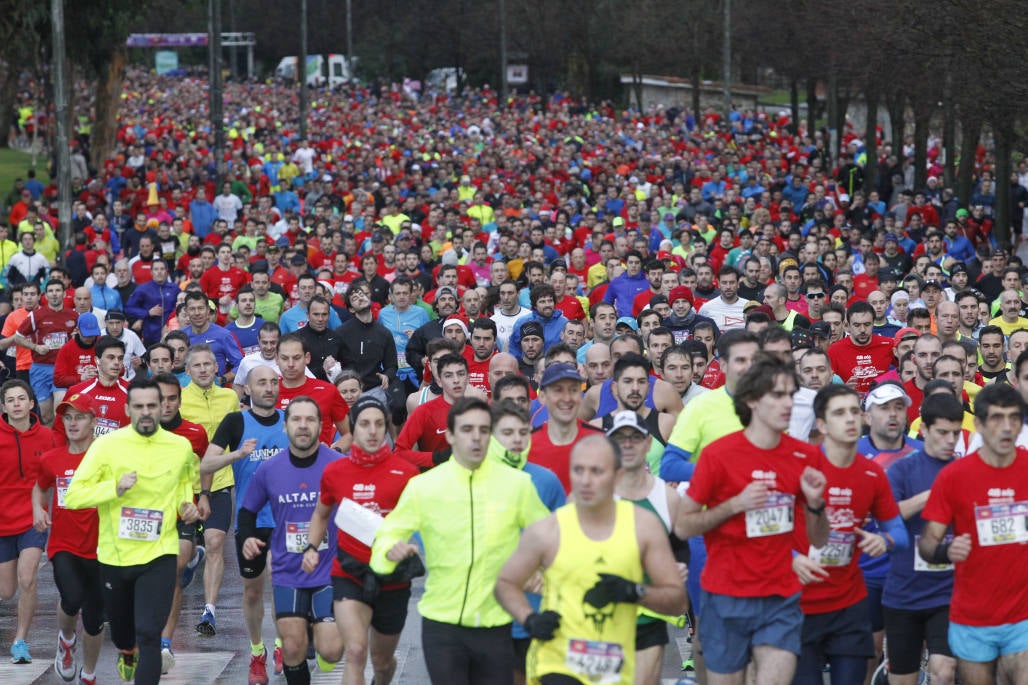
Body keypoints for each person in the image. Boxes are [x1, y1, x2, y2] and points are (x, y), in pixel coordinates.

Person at [370, 397, 549, 685]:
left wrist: (541, 573)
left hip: (496, 623)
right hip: (442, 624)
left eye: (483, 429)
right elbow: (387, 533)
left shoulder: (517, 485)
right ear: (451, 435)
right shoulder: (423, 487)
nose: (476, 438)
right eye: (467, 430)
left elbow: (549, 539)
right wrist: (390, 551)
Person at [675, 354, 830, 685]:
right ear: (752, 401)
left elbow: (819, 540)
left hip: (780, 598)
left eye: (791, 394)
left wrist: (816, 505)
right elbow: (683, 525)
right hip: (726, 595)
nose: (788, 403)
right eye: (777, 395)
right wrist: (734, 505)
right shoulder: (718, 455)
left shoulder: (806, 455)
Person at [494, 432, 688, 685]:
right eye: (578, 470)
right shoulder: (547, 531)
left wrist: (635, 591)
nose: (586, 480)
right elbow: (505, 583)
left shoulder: (643, 527)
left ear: (617, 475)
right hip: (557, 662)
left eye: (596, 471)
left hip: (615, 667)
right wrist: (530, 619)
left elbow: (678, 602)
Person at [64, 377, 201, 685]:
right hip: (116, 556)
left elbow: (183, 489)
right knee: (124, 634)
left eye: (152, 405)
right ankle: (127, 651)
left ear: (162, 406)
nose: (147, 412)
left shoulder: (180, 447)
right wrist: (115, 488)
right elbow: (73, 495)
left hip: (160, 553)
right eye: (138, 406)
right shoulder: (107, 446)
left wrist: (186, 508)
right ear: (127, 409)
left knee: (150, 634)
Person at [790, 385, 906, 685]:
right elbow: (764, 534)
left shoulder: (872, 473)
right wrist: (791, 558)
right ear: (822, 425)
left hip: (848, 603)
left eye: (855, 411)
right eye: (840, 413)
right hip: (800, 604)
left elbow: (899, 533)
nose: (850, 419)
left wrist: (886, 540)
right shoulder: (800, 468)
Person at [304, 396, 420, 685]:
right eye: (365, 424)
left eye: (379, 424)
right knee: (355, 651)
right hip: (349, 571)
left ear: (386, 429)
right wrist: (311, 547)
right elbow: (320, 514)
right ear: (353, 430)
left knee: (381, 663)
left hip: (393, 578)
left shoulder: (407, 473)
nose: (372, 431)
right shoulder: (335, 472)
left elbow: (424, 521)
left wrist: (411, 545)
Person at [919, 383, 1028, 685]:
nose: (1006, 428)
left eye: (1014, 418)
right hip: (972, 617)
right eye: (996, 418)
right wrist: (946, 551)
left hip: (1023, 615)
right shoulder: (954, 476)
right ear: (978, 424)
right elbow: (927, 545)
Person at [237, 396, 345, 685]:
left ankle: (322, 641)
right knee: (293, 647)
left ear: (321, 427)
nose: (303, 425)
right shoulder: (269, 469)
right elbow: (247, 510)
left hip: (329, 569)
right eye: (296, 419)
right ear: (285, 427)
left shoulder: (337, 465)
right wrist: (247, 537)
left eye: (310, 419)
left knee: (332, 650)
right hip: (288, 570)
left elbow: (356, 512)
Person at [199, 365, 290, 684]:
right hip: (251, 520)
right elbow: (206, 463)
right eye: (261, 382)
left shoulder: (290, 420)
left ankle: (281, 645)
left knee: (281, 583)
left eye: (272, 382)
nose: (268, 387)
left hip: (285, 520)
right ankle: (257, 651)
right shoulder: (236, 421)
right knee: (252, 592)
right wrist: (237, 454)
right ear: (247, 389)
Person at [881, 393, 962, 685]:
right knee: (903, 679)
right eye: (942, 432)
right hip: (904, 592)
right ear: (923, 429)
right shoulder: (903, 469)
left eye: (955, 433)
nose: (950, 440)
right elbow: (887, 515)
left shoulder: (963, 471)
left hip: (948, 593)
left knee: (944, 671)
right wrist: (932, 496)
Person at [486, 399, 566, 685]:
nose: (518, 440)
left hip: (536, 608)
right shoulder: (472, 479)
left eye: (523, 432)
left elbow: (565, 540)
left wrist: (545, 570)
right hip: (485, 611)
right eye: (507, 433)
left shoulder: (546, 481)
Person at [607, 411, 688, 685]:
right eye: (620, 438)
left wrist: (678, 569)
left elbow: (679, 548)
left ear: (648, 443)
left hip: (650, 617)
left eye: (635, 438)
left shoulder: (668, 497)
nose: (627, 444)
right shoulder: (595, 494)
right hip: (603, 616)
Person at [32, 394, 102, 684]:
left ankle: (89, 674)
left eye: (80, 417)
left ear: (93, 422)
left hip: (101, 547)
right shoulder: (51, 459)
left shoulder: (106, 457)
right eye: (68, 417)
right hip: (64, 544)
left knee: (96, 619)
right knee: (71, 599)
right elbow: (40, 487)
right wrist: (38, 508)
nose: (72, 423)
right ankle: (66, 639)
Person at [179, 343, 242, 637]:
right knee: (185, 551)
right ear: (188, 370)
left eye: (208, 364)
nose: (203, 369)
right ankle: (191, 559)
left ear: (217, 367)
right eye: (197, 365)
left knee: (216, 543)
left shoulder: (230, 397)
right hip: (186, 486)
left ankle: (210, 610)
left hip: (219, 481)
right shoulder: (178, 400)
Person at [151, 373, 209, 675]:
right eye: (161, 399)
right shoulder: (136, 433)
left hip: (183, 514)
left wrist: (205, 497)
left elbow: (206, 465)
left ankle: (164, 642)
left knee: (171, 572)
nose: (167, 404)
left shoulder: (195, 433)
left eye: (173, 398)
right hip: (148, 517)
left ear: (180, 400)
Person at [0, 379, 56, 664]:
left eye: (22, 399)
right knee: (6, 590)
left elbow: (61, 470)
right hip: (1, 522)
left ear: (32, 404)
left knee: (28, 578)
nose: (17, 404)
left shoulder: (47, 437)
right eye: (11, 400)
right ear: (4, 406)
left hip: (33, 519)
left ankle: (20, 640)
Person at [530, 362, 606, 492]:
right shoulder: (528, 445)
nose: (567, 398)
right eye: (558, 390)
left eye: (573, 390)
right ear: (542, 396)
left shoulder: (601, 441)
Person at [395, 353, 474, 468]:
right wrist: (436, 458)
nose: (456, 380)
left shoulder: (479, 411)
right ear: (439, 381)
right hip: (436, 480)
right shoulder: (424, 411)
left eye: (461, 374)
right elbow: (399, 453)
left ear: (468, 378)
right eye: (448, 375)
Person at [16, 277, 78, 423]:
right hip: (40, 368)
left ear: (64, 294)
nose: (54, 294)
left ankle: (61, 443)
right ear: (45, 295)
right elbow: (18, 337)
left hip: (62, 369)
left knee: (60, 408)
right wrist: (35, 347)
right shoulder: (36, 315)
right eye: (51, 291)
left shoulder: (73, 316)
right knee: (46, 414)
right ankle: (49, 441)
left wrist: (76, 339)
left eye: (57, 290)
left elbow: (81, 340)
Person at [275, 334, 352, 451]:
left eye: (296, 358)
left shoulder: (327, 390)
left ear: (307, 358)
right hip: (280, 466)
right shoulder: (268, 393)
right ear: (276, 359)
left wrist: (332, 452)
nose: (290, 364)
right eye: (285, 358)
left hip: (319, 466)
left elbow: (349, 433)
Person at [53, 336, 130, 439]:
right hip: (84, 454)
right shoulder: (77, 391)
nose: (116, 362)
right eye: (111, 357)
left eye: (120, 358)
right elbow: (59, 431)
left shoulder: (133, 393)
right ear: (97, 360)